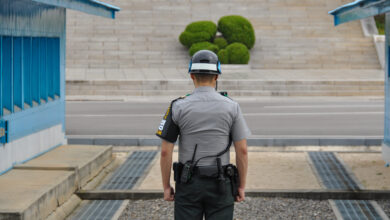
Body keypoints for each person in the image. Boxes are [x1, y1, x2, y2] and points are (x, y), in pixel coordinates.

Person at [156, 50, 251, 220]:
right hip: (221, 183)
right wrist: (241, 186)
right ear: (217, 77)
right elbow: (242, 150)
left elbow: (165, 152)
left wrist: (166, 186)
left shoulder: (177, 106)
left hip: (188, 182)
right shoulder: (232, 107)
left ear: (192, 75)